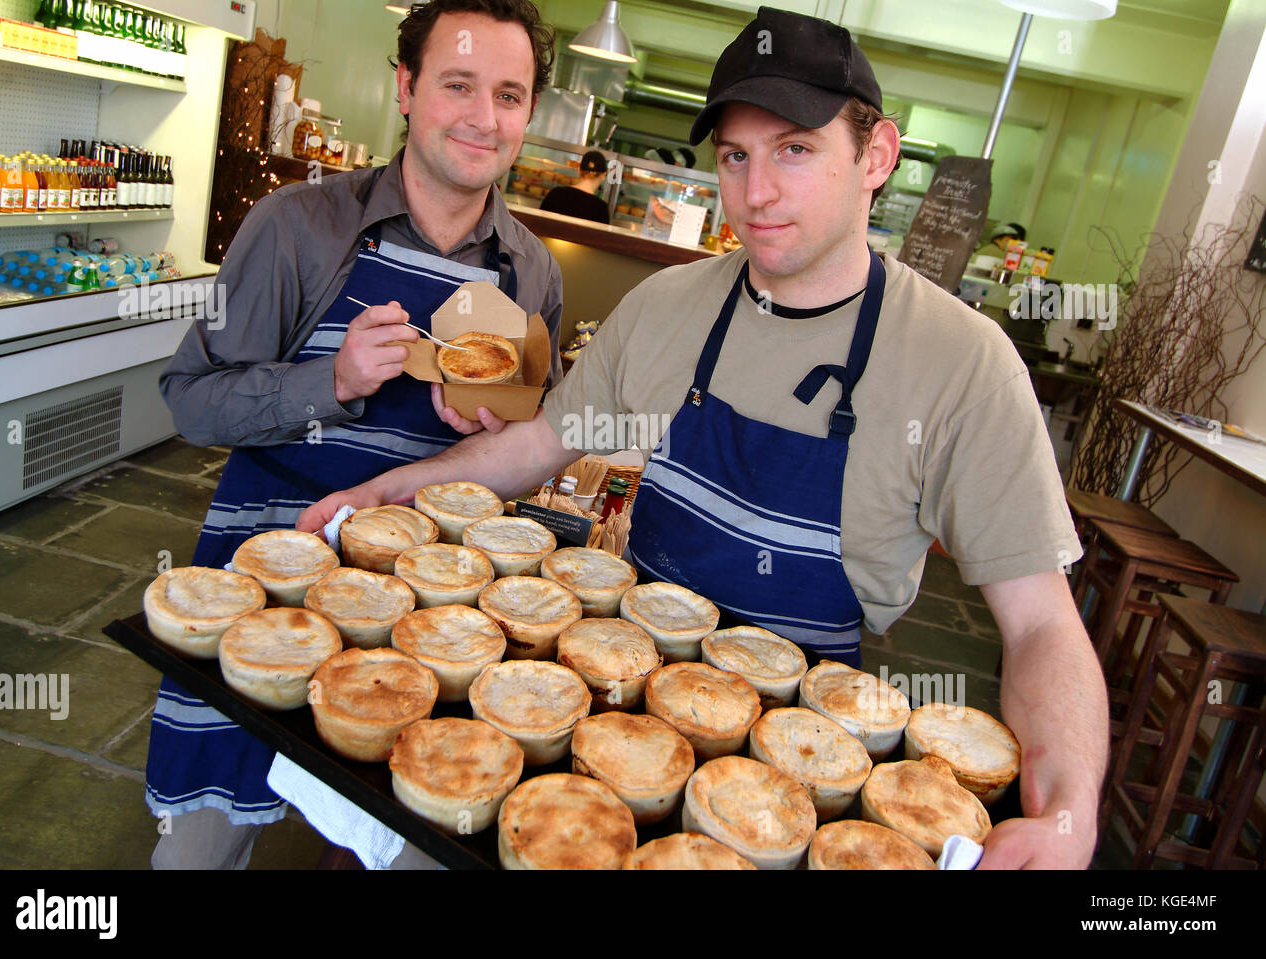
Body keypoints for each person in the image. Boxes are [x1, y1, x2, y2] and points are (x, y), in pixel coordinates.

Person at [300, 6, 1108, 869]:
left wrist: (1065, 813)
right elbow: (535, 446)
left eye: (795, 148)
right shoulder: (667, 308)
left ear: (875, 156)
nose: (756, 192)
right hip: (619, 702)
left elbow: (1040, 628)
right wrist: (389, 491)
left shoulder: (964, 366)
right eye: (736, 155)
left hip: (804, 771)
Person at [145, 0, 564, 869]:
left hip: (429, 620)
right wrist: (328, 382)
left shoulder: (532, 274)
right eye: (458, 85)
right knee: (203, 846)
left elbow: (524, 466)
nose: (485, 118)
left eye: (510, 95)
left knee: (399, 834)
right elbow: (189, 400)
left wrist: (490, 439)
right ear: (406, 88)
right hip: (268, 583)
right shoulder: (297, 227)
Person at [539, 149, 611, 223]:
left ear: (579, 170)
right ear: (604, 175)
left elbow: (538, 224)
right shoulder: (601, 209)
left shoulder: (556, 193)